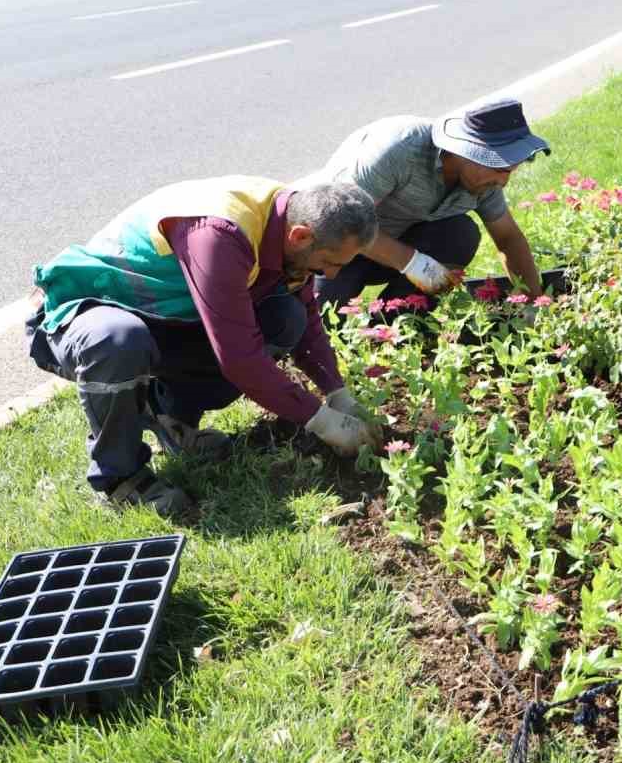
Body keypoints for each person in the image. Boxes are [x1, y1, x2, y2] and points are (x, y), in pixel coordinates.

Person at [27, 177, 384, 516]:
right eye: (329, 263)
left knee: (285, 316)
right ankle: (121, 479)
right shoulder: (222, 233)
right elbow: (240, 358)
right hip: (86, 310)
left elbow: (305, 312)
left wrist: (337, 391)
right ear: (301, 236)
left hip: (163, 315)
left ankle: (173, 418)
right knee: (118, 341)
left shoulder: (292, 217)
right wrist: (319, 419)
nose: (333, 276)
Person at [305, 98, 550, 306]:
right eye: (499, 168)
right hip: (337, 245)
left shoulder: (485, 180)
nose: (503, 182)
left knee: (460, 233)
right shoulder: (398, 150)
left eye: (509, 171)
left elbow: (508, 238)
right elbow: (342, 225)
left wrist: (534, 303)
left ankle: (393, 327)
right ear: (465, 151)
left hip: (392, 250)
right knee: (317, 320)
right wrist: (416, 265)